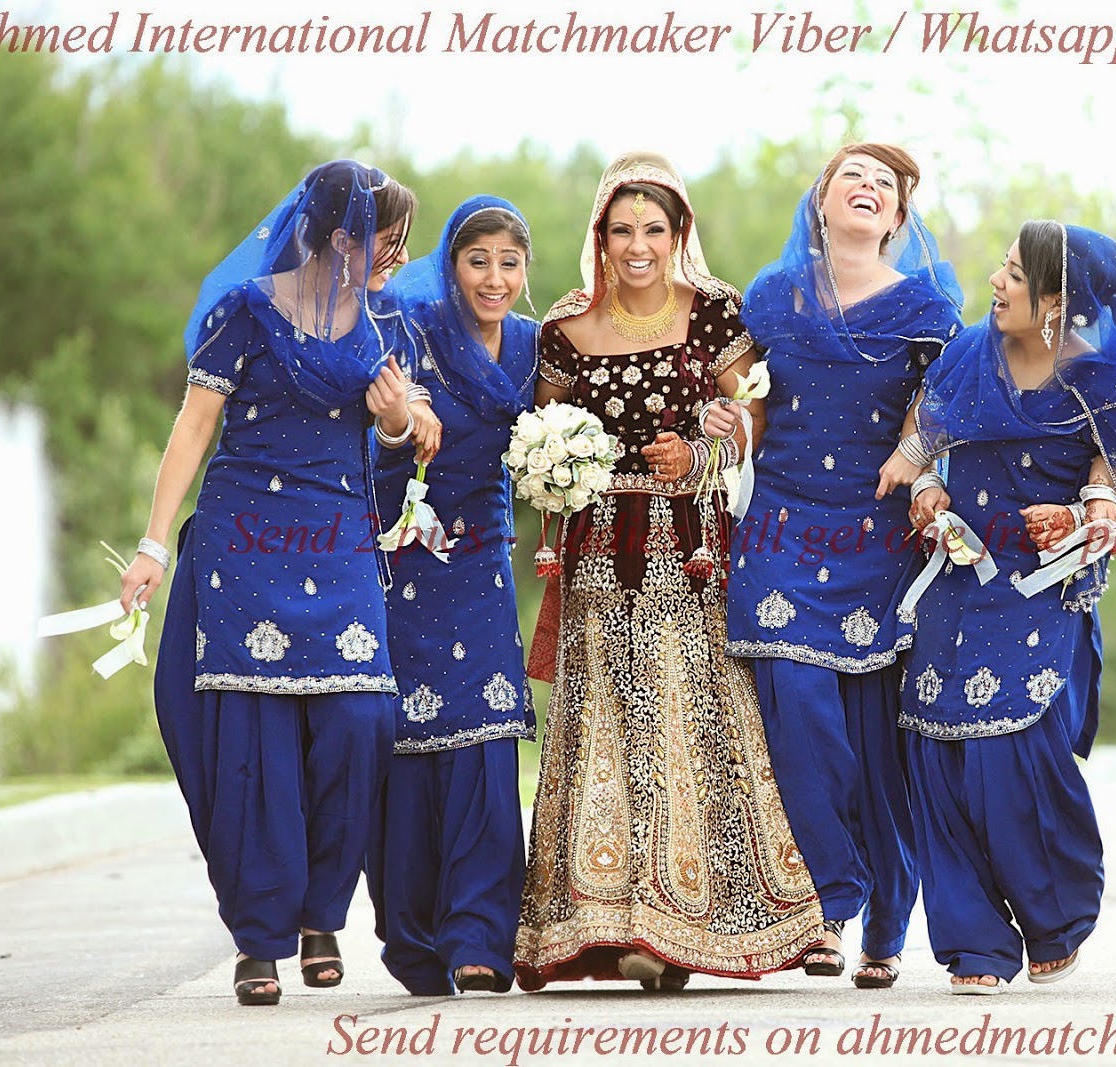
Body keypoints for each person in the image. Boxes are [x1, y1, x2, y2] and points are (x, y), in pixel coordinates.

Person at [514, 151, 823, 992]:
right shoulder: (565, 328)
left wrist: (702, 449)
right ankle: (603, 925)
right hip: (596, 554)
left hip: (688, 548)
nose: (638, 246)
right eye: (622, 230)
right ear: (601, 236)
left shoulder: (713, 310)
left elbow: (752, 411)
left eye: (654, 228)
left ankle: (683, 918)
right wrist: (554, 470)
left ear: (679, 231)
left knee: (688, 718)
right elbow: (541, 432)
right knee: (603, 721)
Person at [117, 160, 419, 1005]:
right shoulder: (243, 311)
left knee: (360, 721)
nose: (399, 255)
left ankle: (322, 910)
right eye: (387, 238)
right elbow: (193, 429)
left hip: (339, 538)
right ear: (341, 236)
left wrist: (397, 416)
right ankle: (260, 937)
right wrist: (153, 545)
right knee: (253, 742)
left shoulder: (387, 321)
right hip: (244, 540)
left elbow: (403, 430)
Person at [896, 222, 1116, 993]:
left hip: (1041, 584)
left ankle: (1054, 913)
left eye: (1015, 274)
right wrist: (926, 488)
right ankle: (975, 942)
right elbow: (921, 432)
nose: (995, 281)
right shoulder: (966, 354)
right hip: (957, 575)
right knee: (937, 748)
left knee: (1013, 750)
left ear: (1057, 301)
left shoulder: (1101, 379)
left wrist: (1089, 508)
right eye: (1003, 267)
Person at [726, 144, 964, 989]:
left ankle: (886, 928)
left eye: (884, 185)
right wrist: (729, 427)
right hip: (782, 528)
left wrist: (916, 452)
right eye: (851, 177)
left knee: (876, 742)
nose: (868, 188)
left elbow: (953, 400)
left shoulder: (927, 307)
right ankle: (829, 901)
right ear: (821, 202)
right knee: (796, 708)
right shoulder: (772, 295)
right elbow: (746, 399)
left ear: (897, 217)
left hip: (878, 532)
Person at [365, 195, 540, 996]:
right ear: (451, 265)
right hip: (406, 555)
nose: (494, 278)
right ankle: (414, 940)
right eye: (478, 261)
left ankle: (480, 936)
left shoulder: (533, 346)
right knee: (409, 740)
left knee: (487, 733)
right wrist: (405, 418)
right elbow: (380, 420)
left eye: (509, 262)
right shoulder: (412, 327)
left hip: (483, 561)